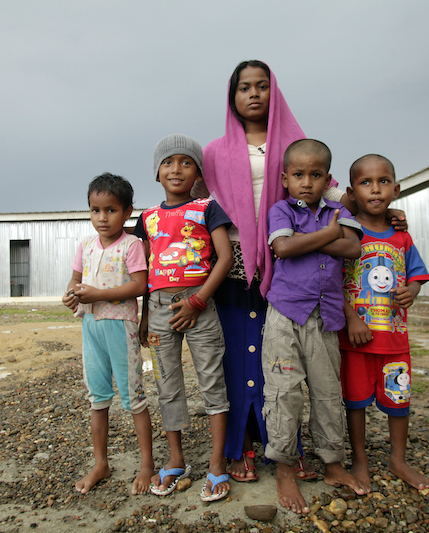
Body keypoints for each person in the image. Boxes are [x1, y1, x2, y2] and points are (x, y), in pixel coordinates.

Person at [197, 60, 356, 482]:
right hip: (233, 263)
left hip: (288, 264)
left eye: (262, 86)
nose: (253, 94)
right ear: (232, 96)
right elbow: (193, 202)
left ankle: (287, 448)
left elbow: (335, 194)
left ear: (275, 91)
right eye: (244, 87)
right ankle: (241, 446)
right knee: (235, 357)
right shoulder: (213, 151)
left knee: (284, 362)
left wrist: (384, 210)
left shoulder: (296, 143)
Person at [263, 139, 366, 513]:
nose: (306, 182)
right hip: (285, 314)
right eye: (298, 175)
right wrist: (328, 235)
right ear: (285, 178)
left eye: (316, 175)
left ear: (327, 179)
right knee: (283, 391)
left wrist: (311, 240)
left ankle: (333, 463)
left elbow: (353, 248)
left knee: (326, 391)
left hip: (326, 316)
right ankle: (285, 468)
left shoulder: (339, 209)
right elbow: (284, 249)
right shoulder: (281, 209)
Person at [135, 134, 234, 502]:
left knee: (212, 381)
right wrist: (146, 316)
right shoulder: (146, 219)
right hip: (159, 309)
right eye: (168, 162)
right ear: (157, 172)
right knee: (167, 385)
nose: (176, 169)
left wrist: (198, 300)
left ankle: (217, 463)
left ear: (197, 172)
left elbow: (223, 258)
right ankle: (176, 460)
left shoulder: (208, 208)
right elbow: (145, 270)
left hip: (201, 306)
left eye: (186, 162)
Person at [340, 154, 429, 493]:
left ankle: (398, 459)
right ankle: (360, 460)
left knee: (399, 399)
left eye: (383, 182)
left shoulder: (401, 238)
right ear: (352, 191)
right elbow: (336, 280)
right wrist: (351, 318)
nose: (375, 190)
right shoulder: (347, 232)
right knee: (355, 402)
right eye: (366, 183)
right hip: (356, 341)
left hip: (394, 340)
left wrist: (411, 290)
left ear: (396, 188)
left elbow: (417, 275)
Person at [62, 173, 154, 496]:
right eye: (95, 210)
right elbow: (75, 281)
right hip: (91, 327)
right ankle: (101, 462)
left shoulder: (131, 245)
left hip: (120, 325)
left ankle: (146, 464)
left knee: (133, 398)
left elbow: (139, 286)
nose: (102, 218)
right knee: (97, 397)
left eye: (110, 210)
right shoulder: (85, 245)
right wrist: (70, 294)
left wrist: (98, 295)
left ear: (127, 212)